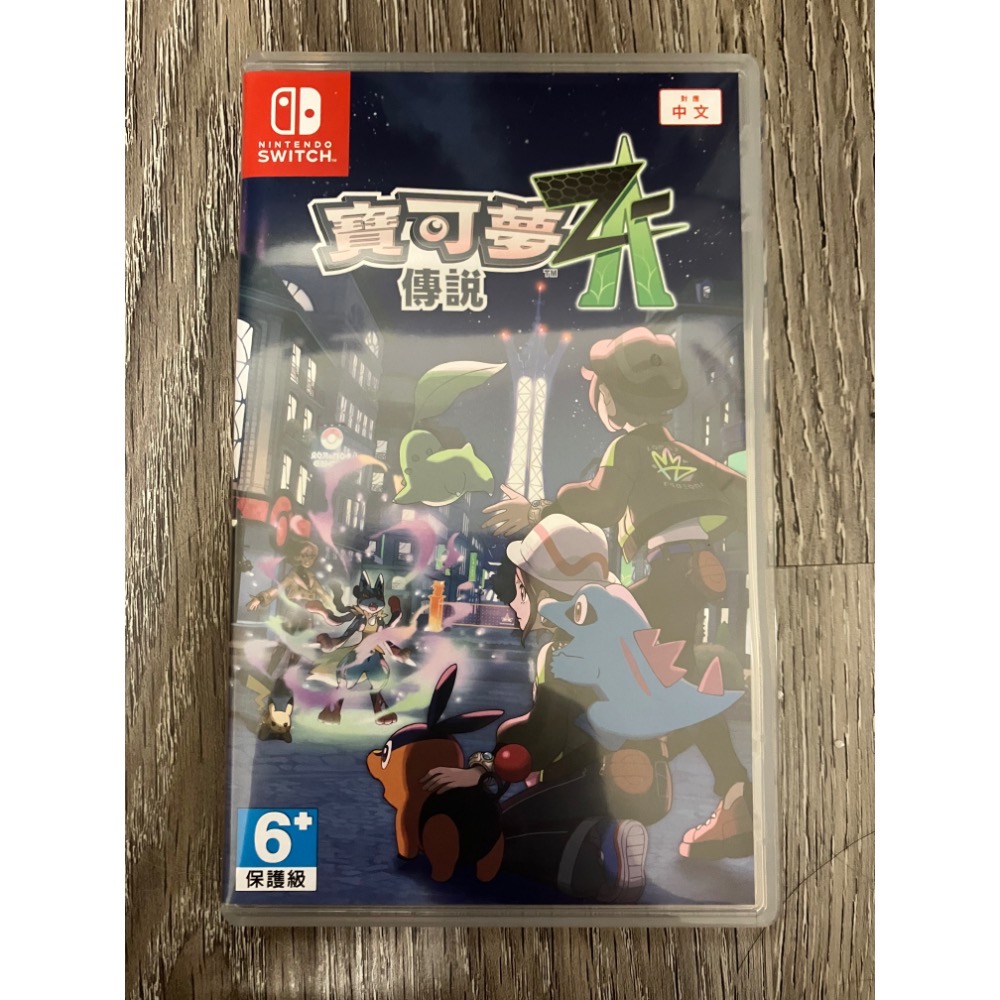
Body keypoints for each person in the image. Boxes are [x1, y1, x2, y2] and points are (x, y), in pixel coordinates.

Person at [482, 326, 753, 860]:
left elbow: (602, 505)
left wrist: (540, 509)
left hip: (665, 569)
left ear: (614, 396)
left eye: (601, 391)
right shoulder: (677, 450)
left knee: (587, 642)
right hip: (689, 571)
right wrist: (706, 533)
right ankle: (734, 794)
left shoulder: (628, 447)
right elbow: (742, 493)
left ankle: (611, 755)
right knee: (677, 676)